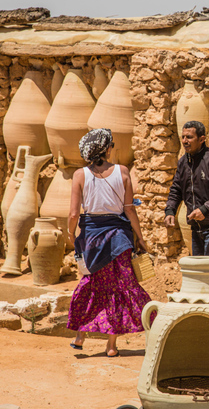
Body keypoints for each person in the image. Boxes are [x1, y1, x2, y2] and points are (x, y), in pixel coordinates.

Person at [66, 128, 152, 357]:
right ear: (107, 149)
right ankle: (111, 346)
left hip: (92, 239)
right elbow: (129, 209)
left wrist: (70, 233)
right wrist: (140, 237)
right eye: (111, 144)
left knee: (91, 283)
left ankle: (80, 336)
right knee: (120, 287)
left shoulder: (80, 175)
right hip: (119, 239)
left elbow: (74, 213)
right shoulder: (122, 171)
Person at [164, 120, 209, 256]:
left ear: (202, 139)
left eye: (189, 137)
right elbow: (176, 189)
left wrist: (205, 210)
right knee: (199, 268)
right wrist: (170, 210)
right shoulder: (183, 162)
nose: (184, 141)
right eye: (183, 137)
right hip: (195, 228)